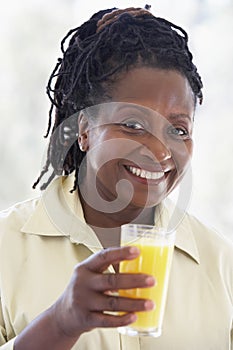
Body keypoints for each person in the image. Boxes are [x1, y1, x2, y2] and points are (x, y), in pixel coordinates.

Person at [0, 6, 232, 350]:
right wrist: (60, 324)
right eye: (133, 125)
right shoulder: (7, 248)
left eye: (178, 129)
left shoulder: (221, 262)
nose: (159, 151)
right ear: (84, 130)